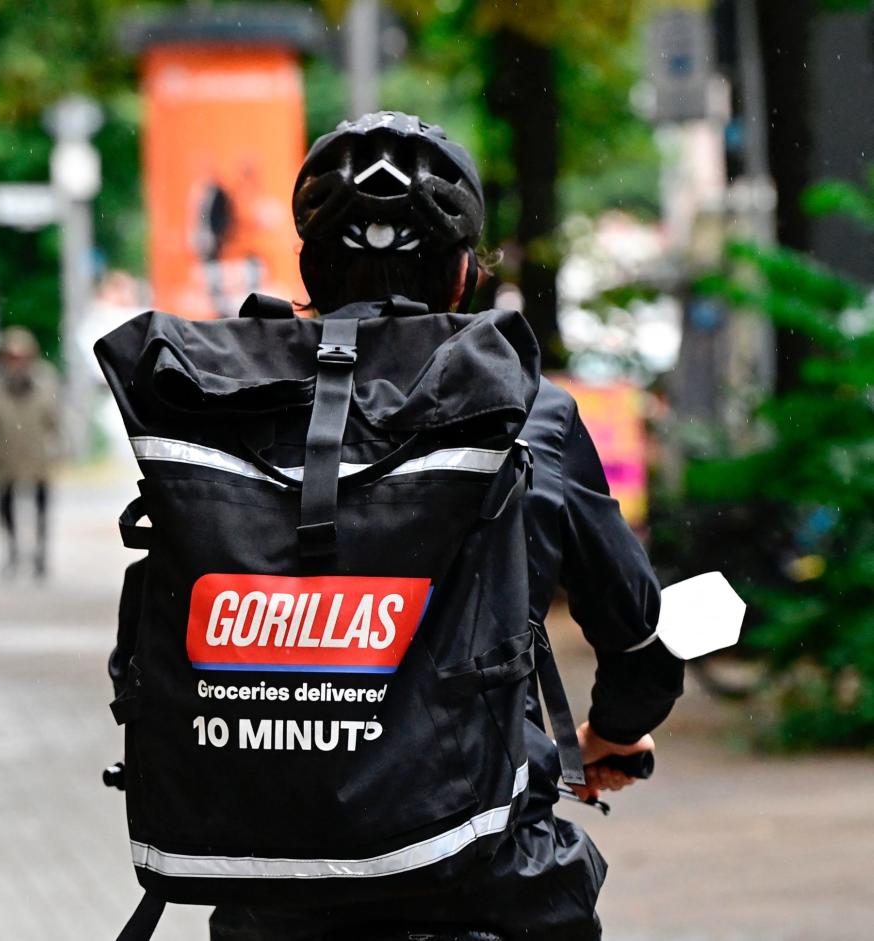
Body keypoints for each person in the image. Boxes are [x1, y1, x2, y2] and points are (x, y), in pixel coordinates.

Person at [208, 113, 685, 940]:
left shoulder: (238, 418)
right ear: (463, 275)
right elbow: (640, 645)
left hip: (281, 886)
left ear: (309, 270)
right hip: (484, 878)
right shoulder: (531, 413)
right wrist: (605, 734)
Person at [0, 327, 63, 578]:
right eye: (11, 357)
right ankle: (12, 552)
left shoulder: (44, 380)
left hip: (37, 458)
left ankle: (40, 555)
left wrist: (58, 450)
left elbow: (56, 419)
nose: (16, 363)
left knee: (41, 508)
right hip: (7, 458)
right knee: (5, 509)